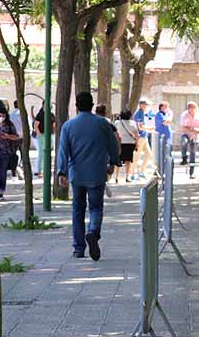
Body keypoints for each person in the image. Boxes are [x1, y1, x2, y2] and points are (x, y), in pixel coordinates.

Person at [57, 91, 120, 260]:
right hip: (97, 173)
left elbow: (63, 151)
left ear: (76, 107)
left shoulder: (68, 126)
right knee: (96, 207)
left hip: (76, 174)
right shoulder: (102, 124)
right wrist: (113, 163)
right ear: (92, 106)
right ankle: (93, 231)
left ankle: (79, 248)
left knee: (77, 210)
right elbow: (113, 145)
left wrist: (61, 172)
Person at [0, 106, 20, 199]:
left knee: (3, 173)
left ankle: (1, 190)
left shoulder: (9, 125)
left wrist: (8, 136)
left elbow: (16, 136)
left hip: (5, 153)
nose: (1, 118)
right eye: (0, 116)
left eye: (3, 116)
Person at [113, 109, 139, 183]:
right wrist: (137, 144)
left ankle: (116, 177)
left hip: (119, 143)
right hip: (129, 143)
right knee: (128, 161)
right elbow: (137, 135)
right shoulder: (133, 123)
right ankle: (127, 176)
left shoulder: (117, 122)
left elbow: (114, 133)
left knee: (118, 161)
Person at [178, 101, 199, 178]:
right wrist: (193, 130)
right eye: (190, 108)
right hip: (186, 134)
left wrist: (194, 130)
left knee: (193, 154)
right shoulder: (184, 115)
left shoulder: (198, 115)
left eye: (193, 108)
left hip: (195, 136)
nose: (191, 110)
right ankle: (184, 158)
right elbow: (183, 127)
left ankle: (191, 173)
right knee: (184, 142)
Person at [132, 99, 154, 178]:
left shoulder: (143, 113)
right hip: (140, 137)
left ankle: (142, 171)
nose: (146, 106)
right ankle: (132, 173)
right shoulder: (139, 113)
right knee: (137, 156)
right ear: (141, 105)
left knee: (148, 154)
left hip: (144, 137)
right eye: (145, 105)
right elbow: (140, 127)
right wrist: (150, 128)